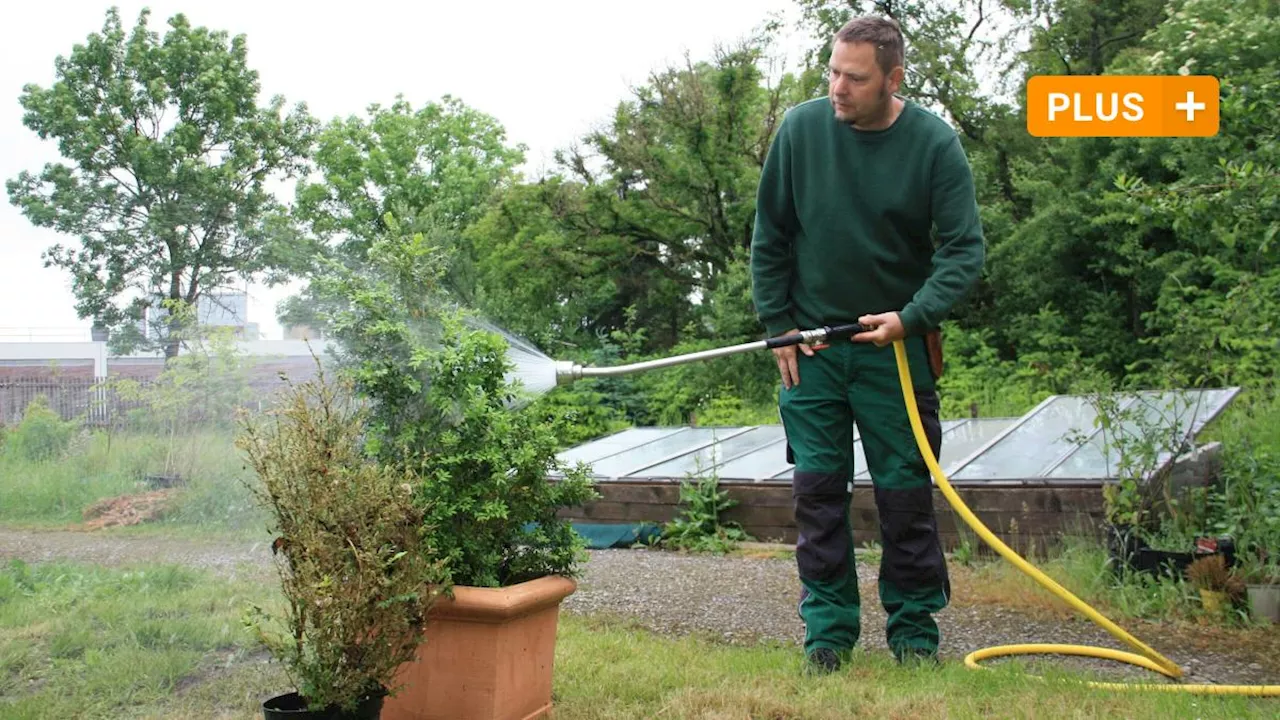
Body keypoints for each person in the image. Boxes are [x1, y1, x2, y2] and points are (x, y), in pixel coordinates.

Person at [749, 15, 986, 674]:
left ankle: (913, 636)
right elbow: (770, 235)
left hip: (895, 351)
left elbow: (965, 251)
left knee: (905, 496)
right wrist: (778, 327)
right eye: (833, 72)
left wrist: (913, 317)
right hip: (814, 349)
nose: (838, 89)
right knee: (818, 494)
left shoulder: (934, 145)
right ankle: (826, 637)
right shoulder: (800, 130)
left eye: (854, 78)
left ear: (893, 78)